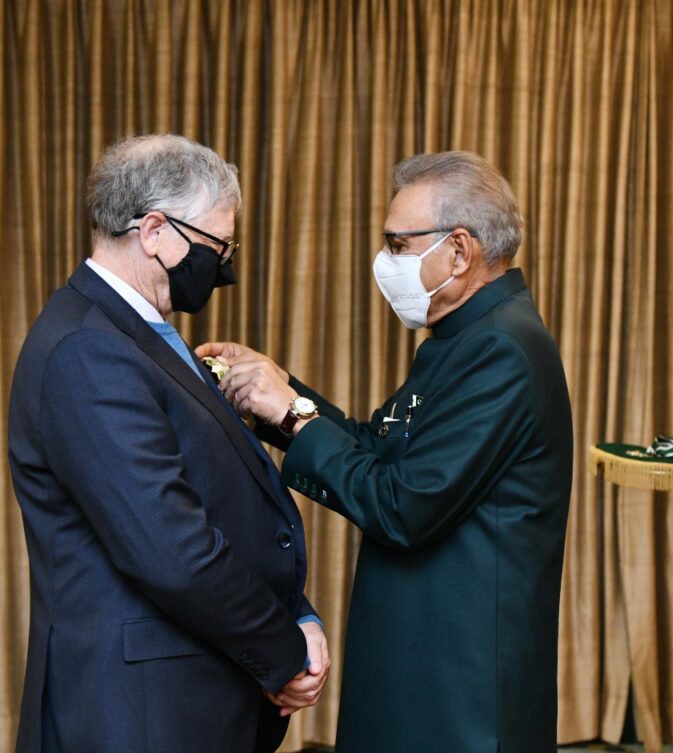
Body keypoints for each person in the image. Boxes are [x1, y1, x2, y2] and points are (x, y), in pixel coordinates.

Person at [198, 151, 574, 753]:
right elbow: (380, 450)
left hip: (459, 686)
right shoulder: (464, 338)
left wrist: (291, 414)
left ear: (459, 250)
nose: (386, 261)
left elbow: (403, 504)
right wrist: (276, 390)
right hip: (424, 663)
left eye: (398, 244)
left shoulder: (501, 349)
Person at [8, 134, 328, 753]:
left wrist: (298, 611)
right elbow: (171, 547)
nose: (224, 267)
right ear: (154, 230)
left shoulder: (135, 336)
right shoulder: (89, 348)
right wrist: (284, 651)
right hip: (140, 712)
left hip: (186, 693)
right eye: (216, 246)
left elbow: (224, 507)